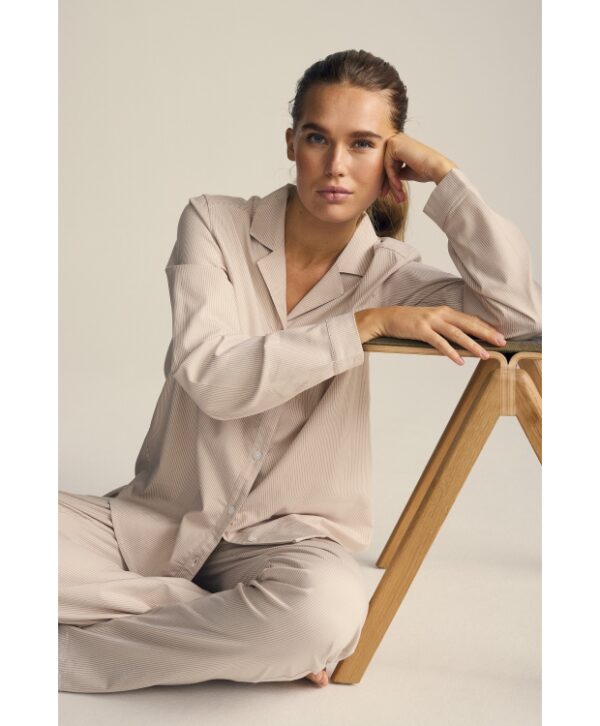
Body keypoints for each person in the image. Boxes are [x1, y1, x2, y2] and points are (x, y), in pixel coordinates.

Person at [58, 49, 542, 693]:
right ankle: (226, 623)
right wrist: (361, 327)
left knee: (323, 615)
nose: (336, 164)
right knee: (296, 630)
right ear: (292, 144)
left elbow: (519, 317)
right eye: (318, 138)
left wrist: (446, 179)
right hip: (156, 524)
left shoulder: (390, 275)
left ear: (391, 161)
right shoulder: (214, 223)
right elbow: (212, 376)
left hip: (289, 545)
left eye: (363, 144)